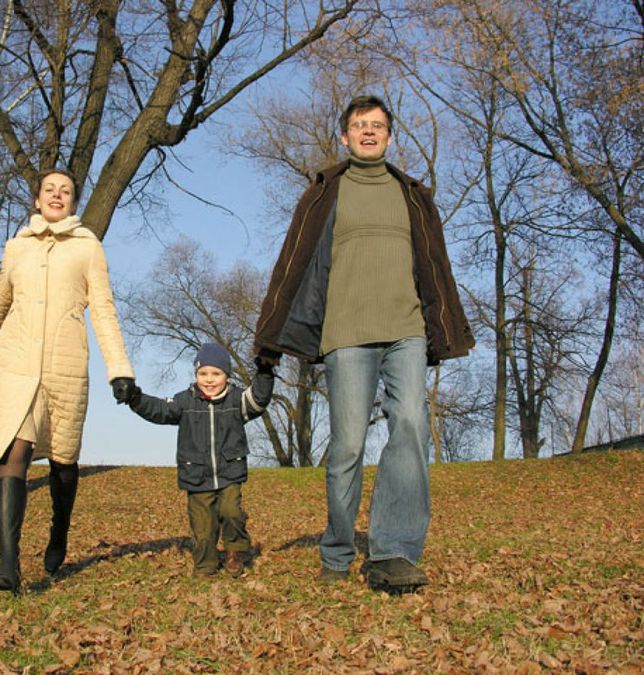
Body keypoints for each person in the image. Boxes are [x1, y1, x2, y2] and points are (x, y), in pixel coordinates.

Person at [253, 95, 474, 593]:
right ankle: (337, 550)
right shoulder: (325, 193)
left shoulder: (413, 195)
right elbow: (290, 266)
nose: (369, 132)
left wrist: (444, 327)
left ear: (390, 136)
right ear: (345, 137)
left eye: (377, 125)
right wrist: (268, 338)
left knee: (412, 427)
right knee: (348, 444)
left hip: (406, 330)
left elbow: (436, 267)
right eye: (359, 125)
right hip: (345, 335)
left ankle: (394, 550)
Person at [0, 168, 137, 593]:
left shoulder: (87, 247)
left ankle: (59, 529)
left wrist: (120, 369)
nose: (57, 196)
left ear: (73, 203)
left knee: (62, 459)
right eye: (49, 190)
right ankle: (9, 564)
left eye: (65, 191)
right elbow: (1, 299)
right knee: (12, 454)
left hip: (66, 366)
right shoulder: (17, 247)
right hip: (17, 363)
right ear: (37, 200)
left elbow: (103, 309)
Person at [123, 342, 274, 578]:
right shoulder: (185, 401)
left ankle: (235, 552)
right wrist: (134, 397)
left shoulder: (236, 400)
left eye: (216, 373)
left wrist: (265, 371)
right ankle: (205, 564)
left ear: (227, 376)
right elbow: (159, 409)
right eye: (203, 373)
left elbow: (259, 399)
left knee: (231, 511)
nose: (209, 379)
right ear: (196, 375)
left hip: (229, 472)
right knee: (203, 527)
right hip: (196, 475)